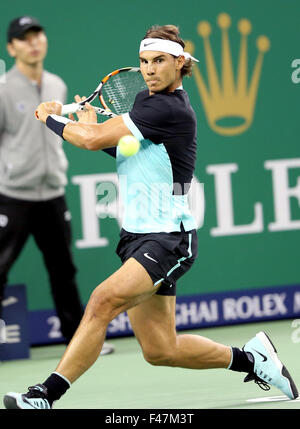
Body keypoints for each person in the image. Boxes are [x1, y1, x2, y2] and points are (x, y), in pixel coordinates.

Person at [3, 24, 298, 409]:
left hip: (167, 238)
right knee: (161, 348)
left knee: (102, 301)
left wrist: (51, 118)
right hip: (137, 235)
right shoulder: (146, 101)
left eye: (158, 61)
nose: (149, 69)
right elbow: (125, 151)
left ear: (179, 63)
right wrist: (90, 126)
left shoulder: (169, 107)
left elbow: (90, 140)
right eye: (143, 62)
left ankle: (44, 396)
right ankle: (252, 360)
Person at [0, 16, 114, 355]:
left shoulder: (57, 85)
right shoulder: (3, 90)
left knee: (63, 269)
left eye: (37, 35)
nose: (33, 42)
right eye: (24, 38)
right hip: (13, 196)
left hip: (52, 193)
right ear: (12, 48)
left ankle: (77, 341)